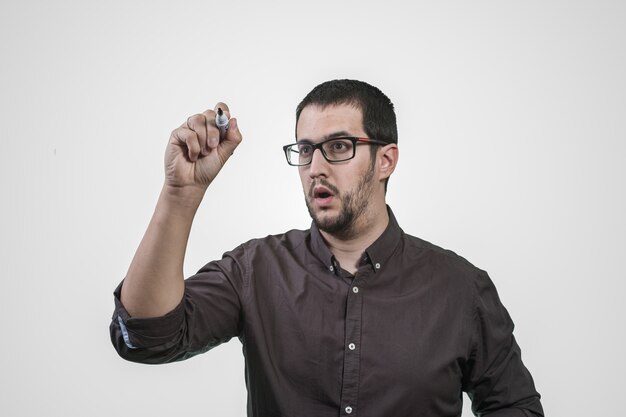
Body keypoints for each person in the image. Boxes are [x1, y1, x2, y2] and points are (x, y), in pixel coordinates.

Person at [110, 79, 544, 417]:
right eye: (305, 149)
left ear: (385, 160)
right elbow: (148, 338)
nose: (315, 167)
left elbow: (514, 406)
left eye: (338, 147)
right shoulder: (255, 270)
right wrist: (180, 195)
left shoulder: (460, 288)